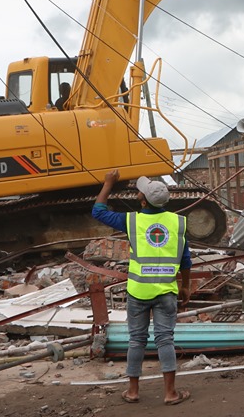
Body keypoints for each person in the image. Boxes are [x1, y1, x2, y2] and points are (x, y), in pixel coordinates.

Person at [93, 170, 192, 405]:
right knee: (165, 340)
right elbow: (186, 261)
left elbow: (98, 211)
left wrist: (108, 184)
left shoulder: (132, 220)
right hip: (166, 291)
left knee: (136, 340)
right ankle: (170, 394)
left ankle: (133, 392)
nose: (138, 192)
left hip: (138, 291)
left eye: (141, 191)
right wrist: (185, 287)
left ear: (143, 200)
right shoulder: (178, 223)